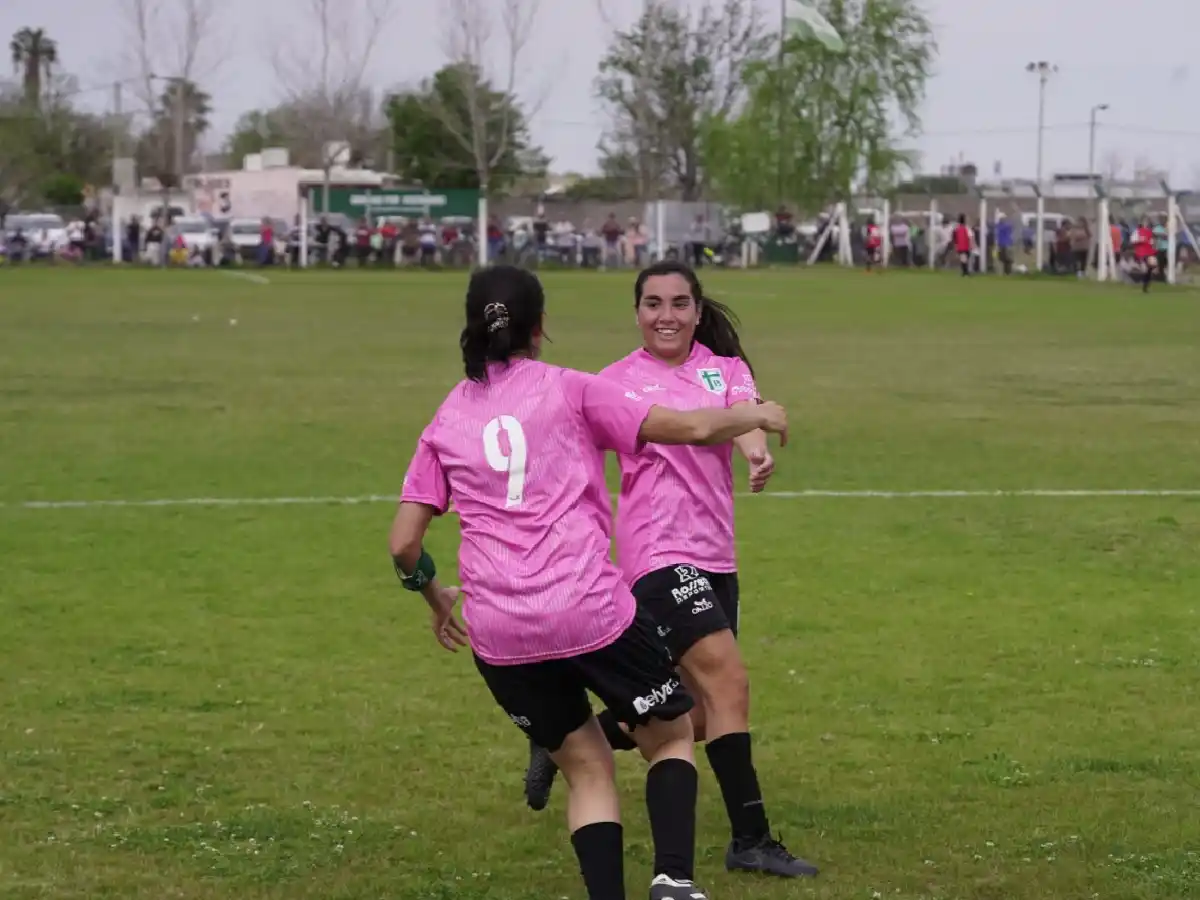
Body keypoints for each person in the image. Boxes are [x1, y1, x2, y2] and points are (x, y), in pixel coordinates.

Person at [389, 265, 790, 900]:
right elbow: (687, 427)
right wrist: (757, 413)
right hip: (586, 606)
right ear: (541, 326)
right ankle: (674, 881)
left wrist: (433, 595)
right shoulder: (574, 388)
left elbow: (403, 544)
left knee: (586, 768)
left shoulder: (445, 418)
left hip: (498, 629)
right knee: (674, 732)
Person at [523, 260, 818, 879]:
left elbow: (743, 418)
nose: (667, 316)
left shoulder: (725, 367)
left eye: (679, 303)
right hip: (657, 554)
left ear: (696, 308)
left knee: (702, 713)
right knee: (731, 685)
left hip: (716, 554)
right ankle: (751, 839)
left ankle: (574, 737)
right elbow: (702, 425)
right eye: (653, 303)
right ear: (636, 312)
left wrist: (757, 454)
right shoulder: (614, 383)